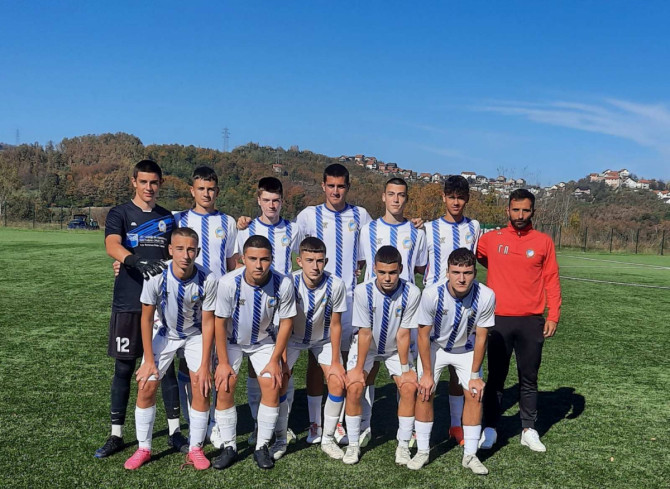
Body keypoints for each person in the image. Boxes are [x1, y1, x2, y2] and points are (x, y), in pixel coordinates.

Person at [96, 159, 187, 458]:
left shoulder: (167, 218)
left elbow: (176, 253)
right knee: (124, 368)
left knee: (166, 369)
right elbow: (112, 245)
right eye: (143, 182)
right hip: (128, 300)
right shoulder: (120, 213)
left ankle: (175, 432)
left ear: (160, 184)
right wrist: (133, 261)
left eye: (154, 182)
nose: (149, 188)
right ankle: (116, 435)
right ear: (133, 182)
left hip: (161, 305)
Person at [123, 228, 217, 470]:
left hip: (195, 335)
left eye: (191, 249)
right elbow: (146, 318)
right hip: (165, 332)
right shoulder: (156, 276)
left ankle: (195, 448)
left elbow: (209, 323)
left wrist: (205, 366)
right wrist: (148, 360)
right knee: (146, 384)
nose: (186, 255)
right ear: (170, 250)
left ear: (197, 251)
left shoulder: (208, 279)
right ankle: (144, 448)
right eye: (180, 249)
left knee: (201, 385)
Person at [477, 188, 562, 452]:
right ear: (508, 210)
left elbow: (551, 279)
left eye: (526, 210)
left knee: (529, 377)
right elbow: (479, 258)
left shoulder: (543, 242)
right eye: (516, 210)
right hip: (498, 320)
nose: (521, 215)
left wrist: (553, 315)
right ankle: (490, 427)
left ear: (533, 211)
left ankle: (528, 429)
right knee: (496, 377)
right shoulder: (490, 239)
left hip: (531, 321)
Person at [296, 163, 372, 443]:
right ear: (323, 186)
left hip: (349, 299)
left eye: (341, 186)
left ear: (348, 187)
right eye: (331, 186)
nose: (336, 191)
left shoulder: (361, 215)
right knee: (316, 360)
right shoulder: (308, 215)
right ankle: (315, 422)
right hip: (315, 296)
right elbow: (291, 246)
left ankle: (338, 421)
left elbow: (365, 255)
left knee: (343, 360)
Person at [211, 235, 297, 470]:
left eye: (264, 259)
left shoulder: (283, 283)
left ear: (272, 259)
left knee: (271, 382)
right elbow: (220, 323)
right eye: (253, 259)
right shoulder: (228, 283)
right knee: (225, 383)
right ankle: (229, 446)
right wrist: (223, 363)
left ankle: (261, 447)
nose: (259, 265)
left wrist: (275, 359)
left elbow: (287, 323)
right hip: (233, 341)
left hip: (264, 341)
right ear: (243, 259)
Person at [409, 248, 495, 474]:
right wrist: (427, 374)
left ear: (475, 273)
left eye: (467, 272)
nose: (461, 278)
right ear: (447, 272)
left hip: (466, 349)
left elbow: (482, 337)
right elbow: (423, 335)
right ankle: (423, 451)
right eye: (456, 272)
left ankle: (470, 455)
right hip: (436, 347)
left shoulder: (486, 295)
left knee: (475, 393)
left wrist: (475, 376)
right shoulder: (431, 294)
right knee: (425, 391)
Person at [356, 177, 427, 446]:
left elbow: (419, 267)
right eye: (391, 194)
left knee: (406, 373)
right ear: (383, 197)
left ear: (406, 198)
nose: (396, 199)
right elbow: (361, 264)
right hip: (372, 308)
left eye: (401, 195)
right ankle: (364, 425)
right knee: (368, 368)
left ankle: (406, 431)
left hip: (404, 309)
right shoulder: (368, 230)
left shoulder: (418, 232)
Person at [173, 165, 238, 444]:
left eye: (211, 189)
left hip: (218, 302)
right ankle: (193, 418)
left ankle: (213, 421)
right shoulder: (178, 219)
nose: (206, 194)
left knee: (215, 360)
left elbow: (232, 264)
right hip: (186, 301)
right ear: (192, 190)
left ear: (217, 191)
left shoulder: (228, 222)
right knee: (188, 362)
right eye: (201, 188)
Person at [236, 177, 302, 445]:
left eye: (276, 200)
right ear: (258, 200)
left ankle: (281, 426)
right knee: (256, 368)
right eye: (266, 200)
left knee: (284, 366)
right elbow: (236, 265)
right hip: (256, 304)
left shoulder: (293, 229)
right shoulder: (246, 228)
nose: (271, 205)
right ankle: (258, 423)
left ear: (282, 201)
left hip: (284, 304)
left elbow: (304, 256)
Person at [270, 237, 349, 461]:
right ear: (299, 261)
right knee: (280, 380)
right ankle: (281, 438)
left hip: (323, 339)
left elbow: (336, 324)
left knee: (337, 380)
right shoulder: (288, 283)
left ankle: (327, 437)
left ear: (326, 261)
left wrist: (336, 362)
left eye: (319, 261)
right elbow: (283, 322)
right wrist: (282, 360)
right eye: (309, 260)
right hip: (292, 338)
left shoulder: (336, 284)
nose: (315, 266)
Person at [343, 246, 421, 465]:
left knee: (408, 387)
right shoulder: (362, 291)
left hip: (395, 348)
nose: (387, 278)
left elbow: (403, 334)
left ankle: (403, 445)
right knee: (355, 386)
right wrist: (358, 370)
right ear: (374, 269)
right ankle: (353, 444)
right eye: (382, 272)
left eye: (393, 272)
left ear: (401, 270)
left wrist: (405, 371)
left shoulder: (412, 292)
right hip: (367, 346)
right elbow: (365, 333)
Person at [423, 175, 482, 446]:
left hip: (465, 306)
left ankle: (456, 425)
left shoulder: (474, 227)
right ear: (443, 197)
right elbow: (419, 265)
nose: (456, 202)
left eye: (461, 197)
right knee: (427, 368)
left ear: (467, 199)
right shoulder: (428, 228)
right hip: (435, 307)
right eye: (451, 197)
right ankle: (419, 429)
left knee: (459, 369)